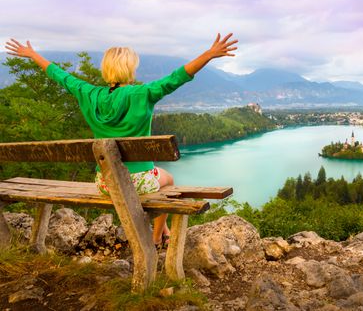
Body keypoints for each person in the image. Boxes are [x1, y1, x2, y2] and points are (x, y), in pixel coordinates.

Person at [5, 33, 238, 247]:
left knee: (160, 180)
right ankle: (157, 235)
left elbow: (61, 76)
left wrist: (32, 54)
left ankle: (162, 228)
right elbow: (178, 77)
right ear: (130, 69)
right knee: (169, 179)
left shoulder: (88, 93)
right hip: (138, 181)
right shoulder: (142, 93)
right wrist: (209, 54)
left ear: (106, 69)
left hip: (105, 183)